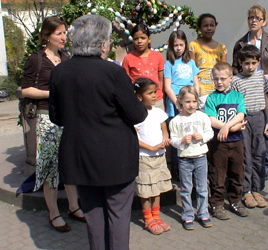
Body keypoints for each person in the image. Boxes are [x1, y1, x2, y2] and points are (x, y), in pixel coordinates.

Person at [49, 15, 147, 249]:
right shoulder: (112, 72)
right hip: (116, 159)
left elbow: (56, 117)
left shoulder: (60, 72)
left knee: (94, 219)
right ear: (103, 44)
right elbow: (137, 115)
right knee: (118, 218)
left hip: (79, 158)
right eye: (109, 41)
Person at [21, 16, 84, 233]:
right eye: (59, 33)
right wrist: (52, 93)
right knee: (50, 167)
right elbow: (25, 89)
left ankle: (74, 207)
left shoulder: (67, 59)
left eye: (65, 32)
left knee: (70, 164)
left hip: (68, 118)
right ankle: (54, 212)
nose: (64, 37)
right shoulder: (36, 59)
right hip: (46, 116)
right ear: (47, 36)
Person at [232, 5, 268, 180]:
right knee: (248, 129)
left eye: (257, 18)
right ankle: (249, 166)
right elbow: (234, 68)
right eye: (250, 18)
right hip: (246, 91)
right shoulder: (240, 43)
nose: (253, 20)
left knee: (266, 129)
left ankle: (266, 167)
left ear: (264, 21)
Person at [205, 62, 248, 220]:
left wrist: (226, 127)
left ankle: (236, 200)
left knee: (237, 172)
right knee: (218, 173)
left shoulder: (238, 96)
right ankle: (216, 203)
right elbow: (211, 119)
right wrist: (229, 127)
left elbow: (241, 115)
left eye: (223, 78)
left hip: (237, 142)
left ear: (231, 78)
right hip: (218, 144)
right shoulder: (211, 98)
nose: (219, 82)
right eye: (216, 79)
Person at [231, 45, 268, 209]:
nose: (250, 67)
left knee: (259, 155)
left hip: (259, 119)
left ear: (258, 62)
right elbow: (234, 104)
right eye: (247, 63)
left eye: (254, 63)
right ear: (240, 62)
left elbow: (265, 98)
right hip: (244, 121)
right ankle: (246, 191)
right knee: (246, 156)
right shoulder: (235, 81)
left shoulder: (260, 77)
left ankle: (257, 189)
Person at [169, 85, 214, 230]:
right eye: (187, 102)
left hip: (201, 157)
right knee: (186, 189)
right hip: (184, 159)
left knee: (202, 188)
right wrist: (182, 141)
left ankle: (203, 213)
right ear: (180, 101)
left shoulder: (202, 116)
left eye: (194, 101)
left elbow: (210, 132)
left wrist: (203, 137)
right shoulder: (175, 120)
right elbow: (173, 140)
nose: (191, 105)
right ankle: (188, 215)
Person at [133, 77, 173, 235]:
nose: (154, 96)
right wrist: (150, 147)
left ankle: (157, 217)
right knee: (146, 190)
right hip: (144, 158)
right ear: (139, 97)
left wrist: (165, 139)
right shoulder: (136, 115)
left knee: (157, 188)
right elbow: (133, 138)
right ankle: (148, 219)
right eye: (150, 93)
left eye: (155, 92)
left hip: (159, 157)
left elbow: (164, 129)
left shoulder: (159, 112)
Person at [189, 13, 227, 110]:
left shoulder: (221, 47)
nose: (209, 28)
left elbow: (225, 70)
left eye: (212, 25)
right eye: (205, 26)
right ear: (200, 28)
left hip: (217, 87)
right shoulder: (194, 45)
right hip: (201, 89)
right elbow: (191, 69)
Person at [122, 24, 165, 110]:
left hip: (156, 100)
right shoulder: (128, 59)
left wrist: (159, 94)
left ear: (149, 39)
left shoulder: (157, 56)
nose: (139, 41)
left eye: (143, 38)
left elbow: (161, 80)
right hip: (138, 101)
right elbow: (126, 82)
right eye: (136, 39)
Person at [164, 30, 199, 119]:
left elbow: (196, 83)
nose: (179, 48)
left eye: (181, 45)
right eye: (176, 45)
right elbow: (167, 87)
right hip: (176, 99)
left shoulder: (191, 62)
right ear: (171, 46)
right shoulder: (169, 63)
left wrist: (195, 99)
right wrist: (177, 103)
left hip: (190, 98)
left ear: (185, 45)